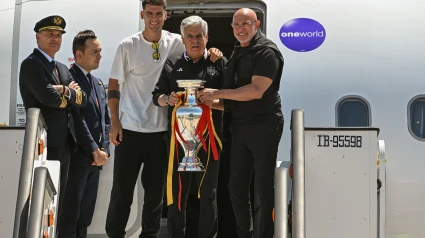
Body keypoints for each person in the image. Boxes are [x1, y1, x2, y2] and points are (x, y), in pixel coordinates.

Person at [105, 1, 222, 237]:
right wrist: (115, 122)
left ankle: (150, 235)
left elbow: (197, 45)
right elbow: (114, 85)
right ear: (142, 15)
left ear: (165, 15)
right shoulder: (128, 45)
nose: (154, 18)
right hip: (129, 129)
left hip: (162, 134)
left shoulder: (176, 41)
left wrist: (213, 52)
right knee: (121, 191)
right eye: (150, 13)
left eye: (159, 14)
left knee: (156, 194)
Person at [198, 8, 285, 238]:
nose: (240, 29)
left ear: (256, 24)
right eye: (236, 25)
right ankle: (244, 234)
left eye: (246, 23)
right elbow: (233, 102)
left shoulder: (267, 53)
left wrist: (218, 91)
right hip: (240, 126)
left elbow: (255, 91)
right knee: (236, 187)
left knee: (263, 187)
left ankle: (264, 234)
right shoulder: (238, 52)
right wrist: (207, 103)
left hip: (264, 126)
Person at [151, 15, 226, 238]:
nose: (195, 40)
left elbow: (233, 100)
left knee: (208, 193)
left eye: (199, 36)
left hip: (210, 140)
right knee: (177, 193)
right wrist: (168, 100)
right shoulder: (172, 64)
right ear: (183, 39)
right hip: (178, 141)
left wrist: (213, 101)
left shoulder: (218, 63)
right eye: (190, 36)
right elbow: (156, 96)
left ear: (207, 37)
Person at [19, 15, 87, 223]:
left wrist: (62, 90)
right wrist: (68, 93)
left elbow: (82, 100)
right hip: (43, 144)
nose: (55, 39)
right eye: (50, 34)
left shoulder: (62, 68)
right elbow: (50, 99)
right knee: (39, 203)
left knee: (55, 204)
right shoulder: (31, 64)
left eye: (58, 35)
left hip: (63, 144)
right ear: (37, 37)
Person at [57, 30, 111, 238]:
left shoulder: (97, 83)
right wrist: (93, 149)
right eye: (94, 52)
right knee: (70, 216)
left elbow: (106, 120)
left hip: (95, 162)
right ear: (79, 54)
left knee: (85, 217)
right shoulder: (69, 80)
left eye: (100, 51)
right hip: (77, 158)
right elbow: (76, 118)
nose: (99, 56)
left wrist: (103, 149)